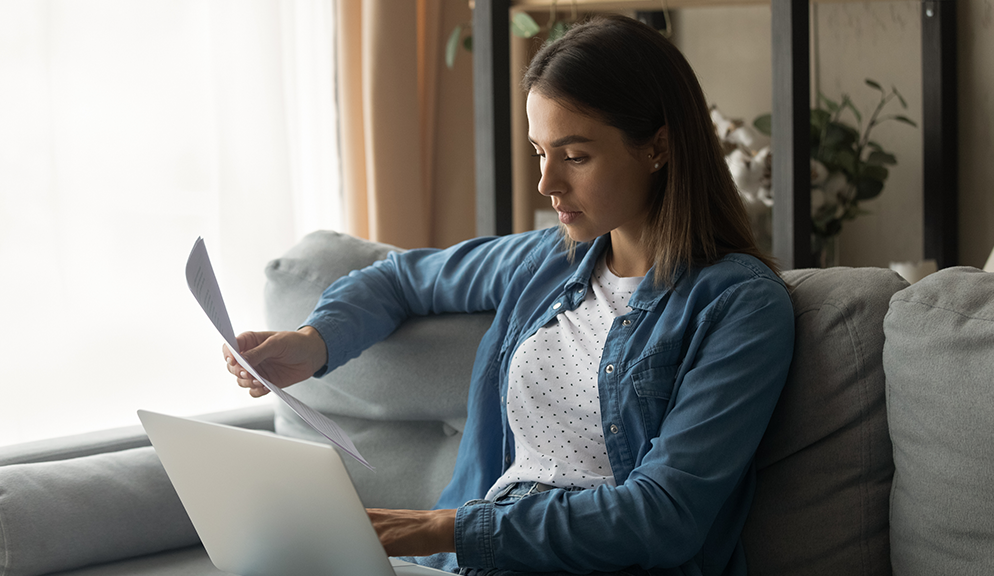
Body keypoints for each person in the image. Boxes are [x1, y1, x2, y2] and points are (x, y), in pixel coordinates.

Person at [224, 14, 794, 576]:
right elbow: (399, 278)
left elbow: (663, 516)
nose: (547, 184)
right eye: (540, 153)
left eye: (575, 156)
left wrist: (436, 528)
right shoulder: (545, 260)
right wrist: (312, 342)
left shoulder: (740, 306)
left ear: (658, 148)